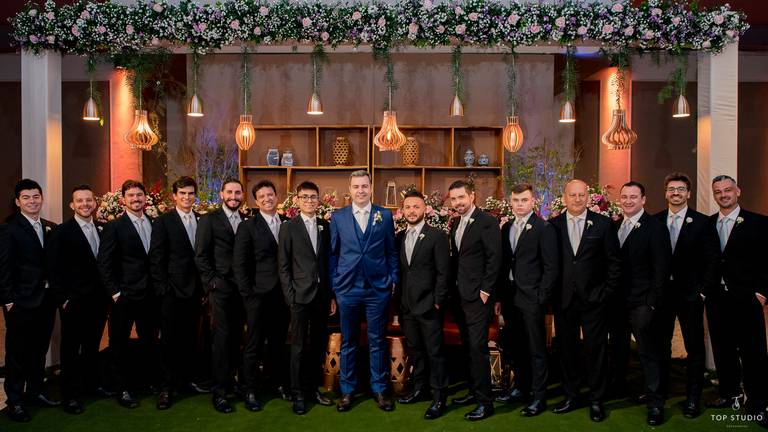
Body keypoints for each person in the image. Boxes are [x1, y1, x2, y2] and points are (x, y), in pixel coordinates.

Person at [549, 179, 620, 423]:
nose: (577, 199)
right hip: (564, 300)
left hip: (594, 300)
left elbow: (614, 263)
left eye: (581, 195)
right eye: (573, 195)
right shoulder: (553, 225)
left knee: (595, 350)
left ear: (588, 197)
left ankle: (596, 400)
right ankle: (571, 395)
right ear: (564, 197)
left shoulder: (603, 224)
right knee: (566, 350)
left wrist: (605, 293)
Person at [329, 170, 399, 412]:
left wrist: (393, 278)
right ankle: (347, 391)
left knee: (377, 340)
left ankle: (379, 389)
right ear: (350, 189)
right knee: (348, 340)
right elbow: (333, 253)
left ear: (371, 188)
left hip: (377, 289)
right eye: (356, 186)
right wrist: (335, 283)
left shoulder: (384, 215)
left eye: (364, 186)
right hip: (347, 288)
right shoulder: (338, 217)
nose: (360, 190)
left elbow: (391, 250)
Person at [654, 172, 719, 419]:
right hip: (662, 295)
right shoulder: (655, 221)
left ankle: (693, 398)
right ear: (665, 193)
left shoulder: (703, 222)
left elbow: (712, 260)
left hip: (690, 295)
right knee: (660, 346)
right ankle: (659, 393)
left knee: (694, 348)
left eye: (681, 189)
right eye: (671, 189)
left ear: (688, 193)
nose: (676, 193)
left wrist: (702, 292)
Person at [705, 175, 768, 429]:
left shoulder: (759, 223)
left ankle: (758, 402)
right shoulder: (708, 224)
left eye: (727, 190)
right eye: (718, 191)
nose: (723, 195)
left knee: (753, 352)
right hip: (717, 298)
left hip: (747, 298)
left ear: (738, 191)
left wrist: (762, 293)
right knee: (723, 349)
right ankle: (729, 394)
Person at [610, 181, 671, 426]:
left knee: (648, 353)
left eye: (633, 197)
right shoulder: (615, 226)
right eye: (624, 197)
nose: (628, 201)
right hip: (616, 302)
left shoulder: (655, 228)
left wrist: (652, 303)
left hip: (642, 303)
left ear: (643, 199)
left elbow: (661, 269)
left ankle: (655, 403)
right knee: (618, 348)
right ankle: (619, 388)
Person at [494, 184, 558, 417]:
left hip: (532, 298)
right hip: (510, 297)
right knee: (516, 345)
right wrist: (500, 297)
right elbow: (504, 265)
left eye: (524, 200)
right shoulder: (507, 227)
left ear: (533, 201)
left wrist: (541, 297)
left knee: (536, 348)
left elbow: (551, 267)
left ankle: (539, 397)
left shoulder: (544, 228)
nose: (519, 204)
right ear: (510, 202)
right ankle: (521, 388)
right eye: (516, 200)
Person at [48, 185, 111, 415]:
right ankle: (70, 395)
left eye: (88, 200)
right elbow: (53, 269)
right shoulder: (61, 232)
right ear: (72, 205)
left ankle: (91, 386)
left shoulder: (103, 228)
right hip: (73, 302)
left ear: (94, 203)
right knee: (71, 349)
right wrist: (62, 299)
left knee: (93, 346)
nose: (85, 204)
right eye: (80, 201)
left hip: (98, 300)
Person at [0, 179, 59, 422]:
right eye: (26, 197)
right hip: (21, 302)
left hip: (46, 300)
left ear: (42, 199)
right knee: (17, 353)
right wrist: (8, 300)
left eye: (36, 196)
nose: (32, 201)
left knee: (39, 349)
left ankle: (35, 392)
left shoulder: (50, 227)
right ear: (17, 202)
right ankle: (15, 401)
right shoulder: (9, 229)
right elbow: (3, 267)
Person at [98, 179, 160, 409]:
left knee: (149, 340)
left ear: (145, 198)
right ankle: (121, 388)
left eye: (139, 195)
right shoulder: (114, 227)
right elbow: (104, 263)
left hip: (150, 295)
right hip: (124, 297)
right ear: (124, 199)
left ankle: (146, 381)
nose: (136, 199)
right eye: (131, 196)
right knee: (119, 343)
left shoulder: (154, 223)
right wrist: (115, 293)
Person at [277, 181, 336, 415]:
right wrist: (290, 296)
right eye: (305, 197)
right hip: (299, 297)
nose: (309, 200)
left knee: (318, 345)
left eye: (313, 197)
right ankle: (298, 394)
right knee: (298, 347)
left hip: (321, 296)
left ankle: (313, 390)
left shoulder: (325, 226)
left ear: (318, 200)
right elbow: (283, 266)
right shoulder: (289, 227)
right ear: (297, 200)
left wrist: (331, 296)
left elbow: (328, 263)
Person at [149, 176, 206, 410]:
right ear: (174, 196)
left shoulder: (202, 220)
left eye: (190, 193)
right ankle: (166, 387)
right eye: (182, 193)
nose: (187, 197)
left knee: (190, 339)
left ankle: (186, 381)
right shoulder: (163, 222)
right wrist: (163, 289)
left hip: (195, 292)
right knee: (169, 341)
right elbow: (156, 258)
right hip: (171, 292)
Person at [233, 179, 291, 410]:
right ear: (256, 202)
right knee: (254, 343)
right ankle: (249, 389)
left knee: (278, 341)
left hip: (282, 295)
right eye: (262, 197)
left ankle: (277, 383)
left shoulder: (287, 223)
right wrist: (248, 295)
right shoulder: (247, 226)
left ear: (277, 197)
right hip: (257, 295)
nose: (267, 199)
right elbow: (239, 264)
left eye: (270, 195)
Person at [447, 180, 501, 421]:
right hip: (460, 296)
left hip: (478, 297)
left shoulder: (487, 221)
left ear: (472, 196)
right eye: (454, 199)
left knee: (478, 349)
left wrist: (486, 291)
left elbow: (494, 258)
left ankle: (485, 403)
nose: (457, 202)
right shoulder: (456, 222)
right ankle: (473, 391)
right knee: (468, 347)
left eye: (461, 197)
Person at [394, 190, 450, 419]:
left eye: (416, 206)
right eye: (408, 207)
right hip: (407, 307)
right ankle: (420, 389)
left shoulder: (437, 236)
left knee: (435, 352)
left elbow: (444, 272)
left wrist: (437, 302)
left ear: (425, 209)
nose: (412, 211)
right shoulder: (399, 237)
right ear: (402, 210)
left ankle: (439, 397)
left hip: (429, 306)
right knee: (416, 351)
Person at [195, 178, 248, 414]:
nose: (234, 197)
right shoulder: (209, 220)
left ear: (242, 195)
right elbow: (201, 255)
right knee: (221, 340)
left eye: (237, 193)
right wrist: (212, 283)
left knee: (237, 338)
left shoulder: (246, 220)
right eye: (230, 192)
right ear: (221, 194)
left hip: (242, 290)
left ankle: (234, 383)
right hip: (221, 288)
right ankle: (219, 392)